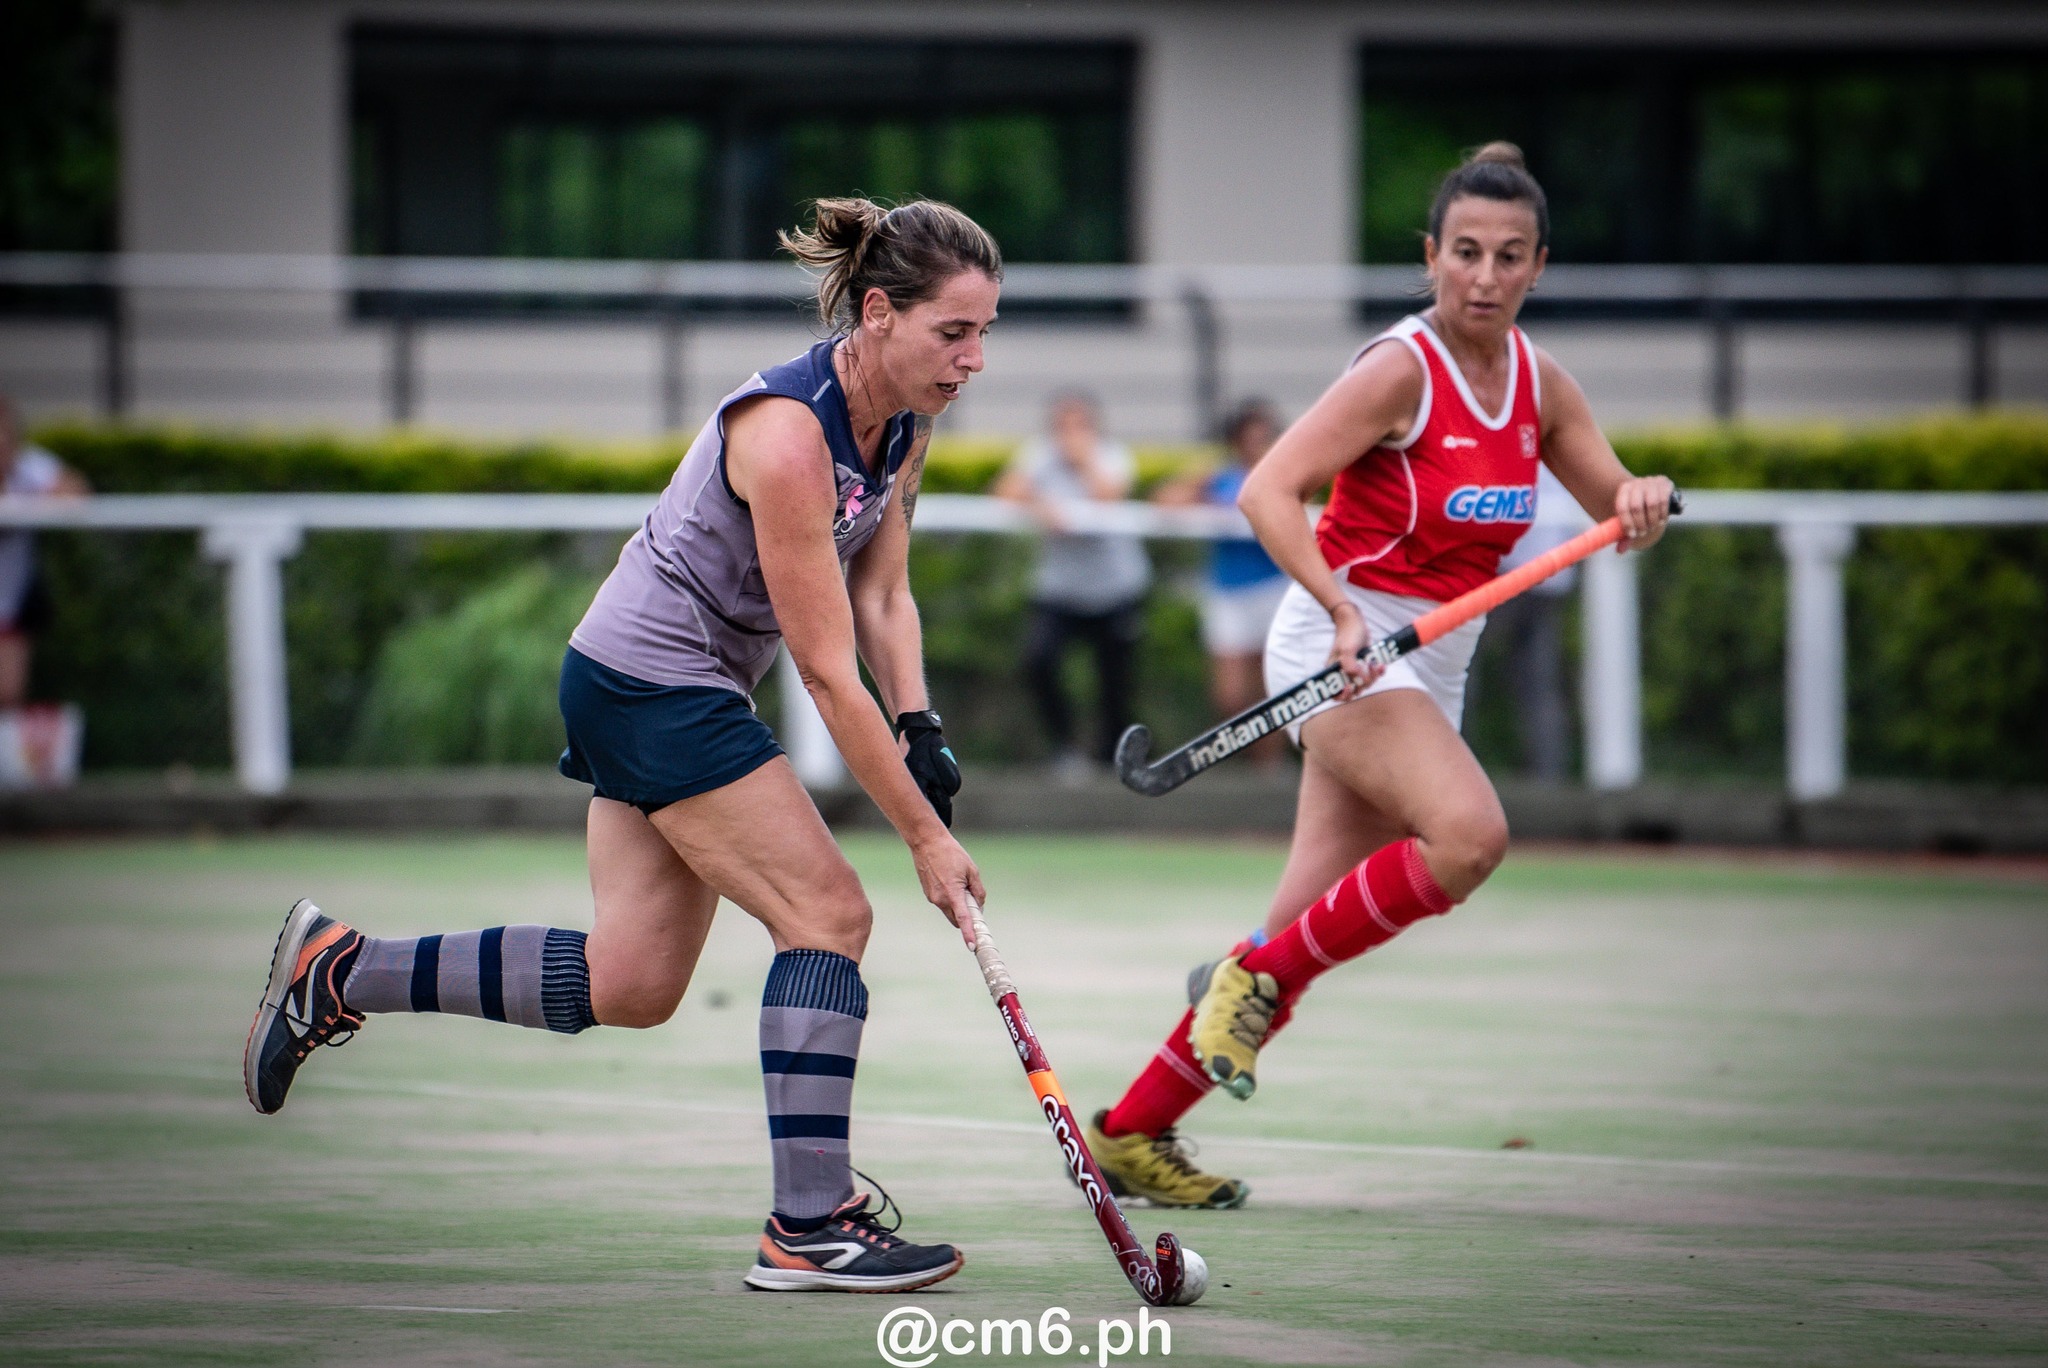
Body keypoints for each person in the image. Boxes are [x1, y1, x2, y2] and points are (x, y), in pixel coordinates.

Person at [243, 198, 1001, 1293]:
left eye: (986, 332)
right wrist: (923, 838)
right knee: (827, 913)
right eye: (953, 333)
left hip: (662, 687)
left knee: (631, 980)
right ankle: (808, 1223)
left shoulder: (906, 421)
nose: (974, 359)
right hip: (650, 686)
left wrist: (920, 722)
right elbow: (827, 669)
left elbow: (881, 589)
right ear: (878, 312)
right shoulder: (787, 432)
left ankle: (340, 969)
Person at [1082, 143, 1674, 1207]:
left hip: (1428, 666)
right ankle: (1249, 985)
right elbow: (1266, 491)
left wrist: (1639, 497)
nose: (1482, 277)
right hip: (1341, 651)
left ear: (1538, 266)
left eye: (1506, 257)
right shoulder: (1399, 369)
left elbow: (1611, 510)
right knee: (1469, 837)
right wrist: (1342, 608)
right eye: (1462, 253)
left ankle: (1131, 1132)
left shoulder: (1542, 385)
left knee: (1292, 937)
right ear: (1428, 257)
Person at [995, 391, 1150, 780]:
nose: (1071, 435)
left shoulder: (1112, 455)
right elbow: (1006, 491)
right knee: (1039, 660)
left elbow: (1108, 495)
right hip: (1059, 590)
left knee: (1116, 679)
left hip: (1115, 589)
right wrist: (1042, 506)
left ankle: (1112, 756)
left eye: (1079, 425)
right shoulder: (1039, 456)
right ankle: (1064, 747)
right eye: (1064, 426)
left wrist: (1083, 460)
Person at [1154, 398, 1292, 769]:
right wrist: (1201, 484)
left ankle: (1268, 770)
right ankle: (1242, 760)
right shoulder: (1221, 479)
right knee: (1230, 695)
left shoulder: (1286, 476)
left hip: (1273, 589)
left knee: (1271, 687)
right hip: (1229, 593)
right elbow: (1165, 502)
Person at [0, 397, 91, 711]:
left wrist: (31, 503)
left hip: (9, 601)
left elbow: (76, 492)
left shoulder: (29, 467)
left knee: (8, 692)